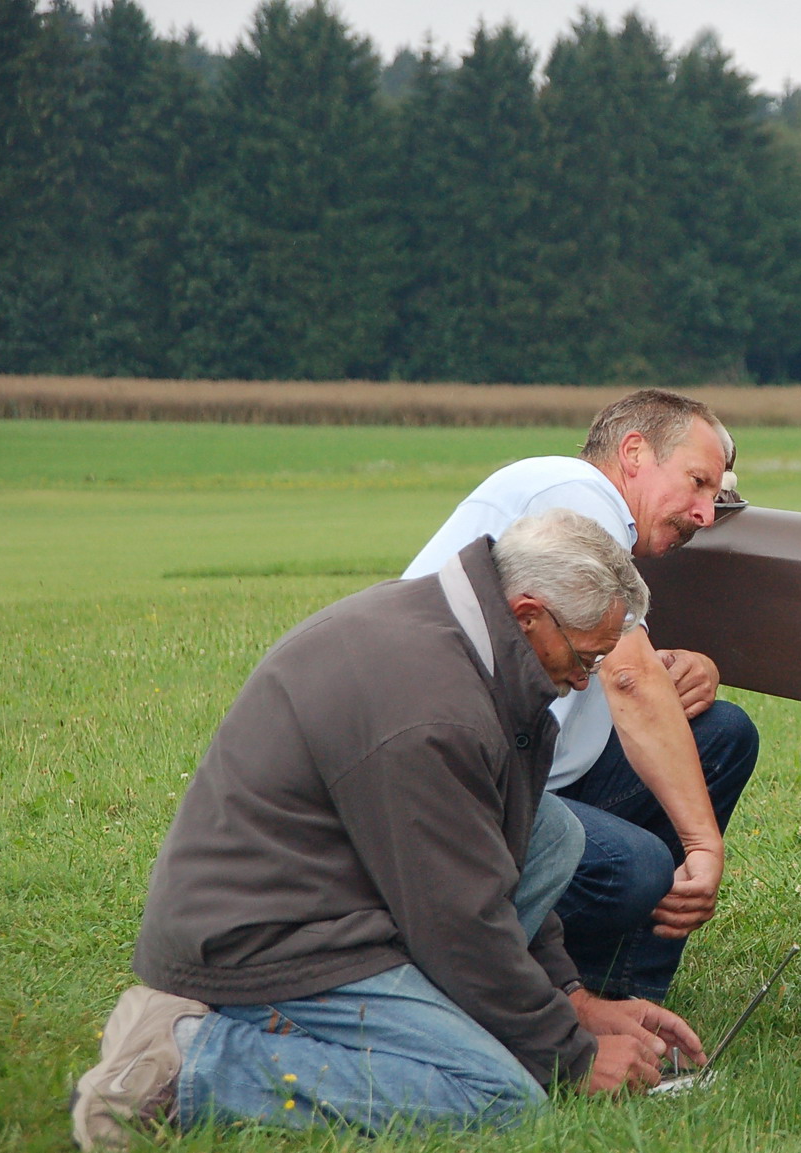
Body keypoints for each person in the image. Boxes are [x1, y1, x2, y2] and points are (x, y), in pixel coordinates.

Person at [72, 510, 703, 1148]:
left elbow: (501, 852)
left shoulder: (462, 634)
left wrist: (569, 1000)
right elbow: (457, 922)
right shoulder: (432, 711)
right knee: (499, 1096)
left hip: (341, 891)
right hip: (268, 940)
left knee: (555, 831)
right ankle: (184, 1060)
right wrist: (572, 1056)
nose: (584, 678)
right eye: (585, 656)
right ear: (528, 615)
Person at [403, 389, 758, 1004]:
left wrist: (685, 666)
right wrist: (702, 844)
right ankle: (545, 995)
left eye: (715, 495)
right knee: (634, 868)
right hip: (453, 790)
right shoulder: (576, 492)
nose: (705, 514)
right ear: (634, 453)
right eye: (697, 483)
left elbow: (607, 662)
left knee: (722, 734)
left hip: (531, 769)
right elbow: (627, 679)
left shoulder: (592, 518)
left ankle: (628, 996)